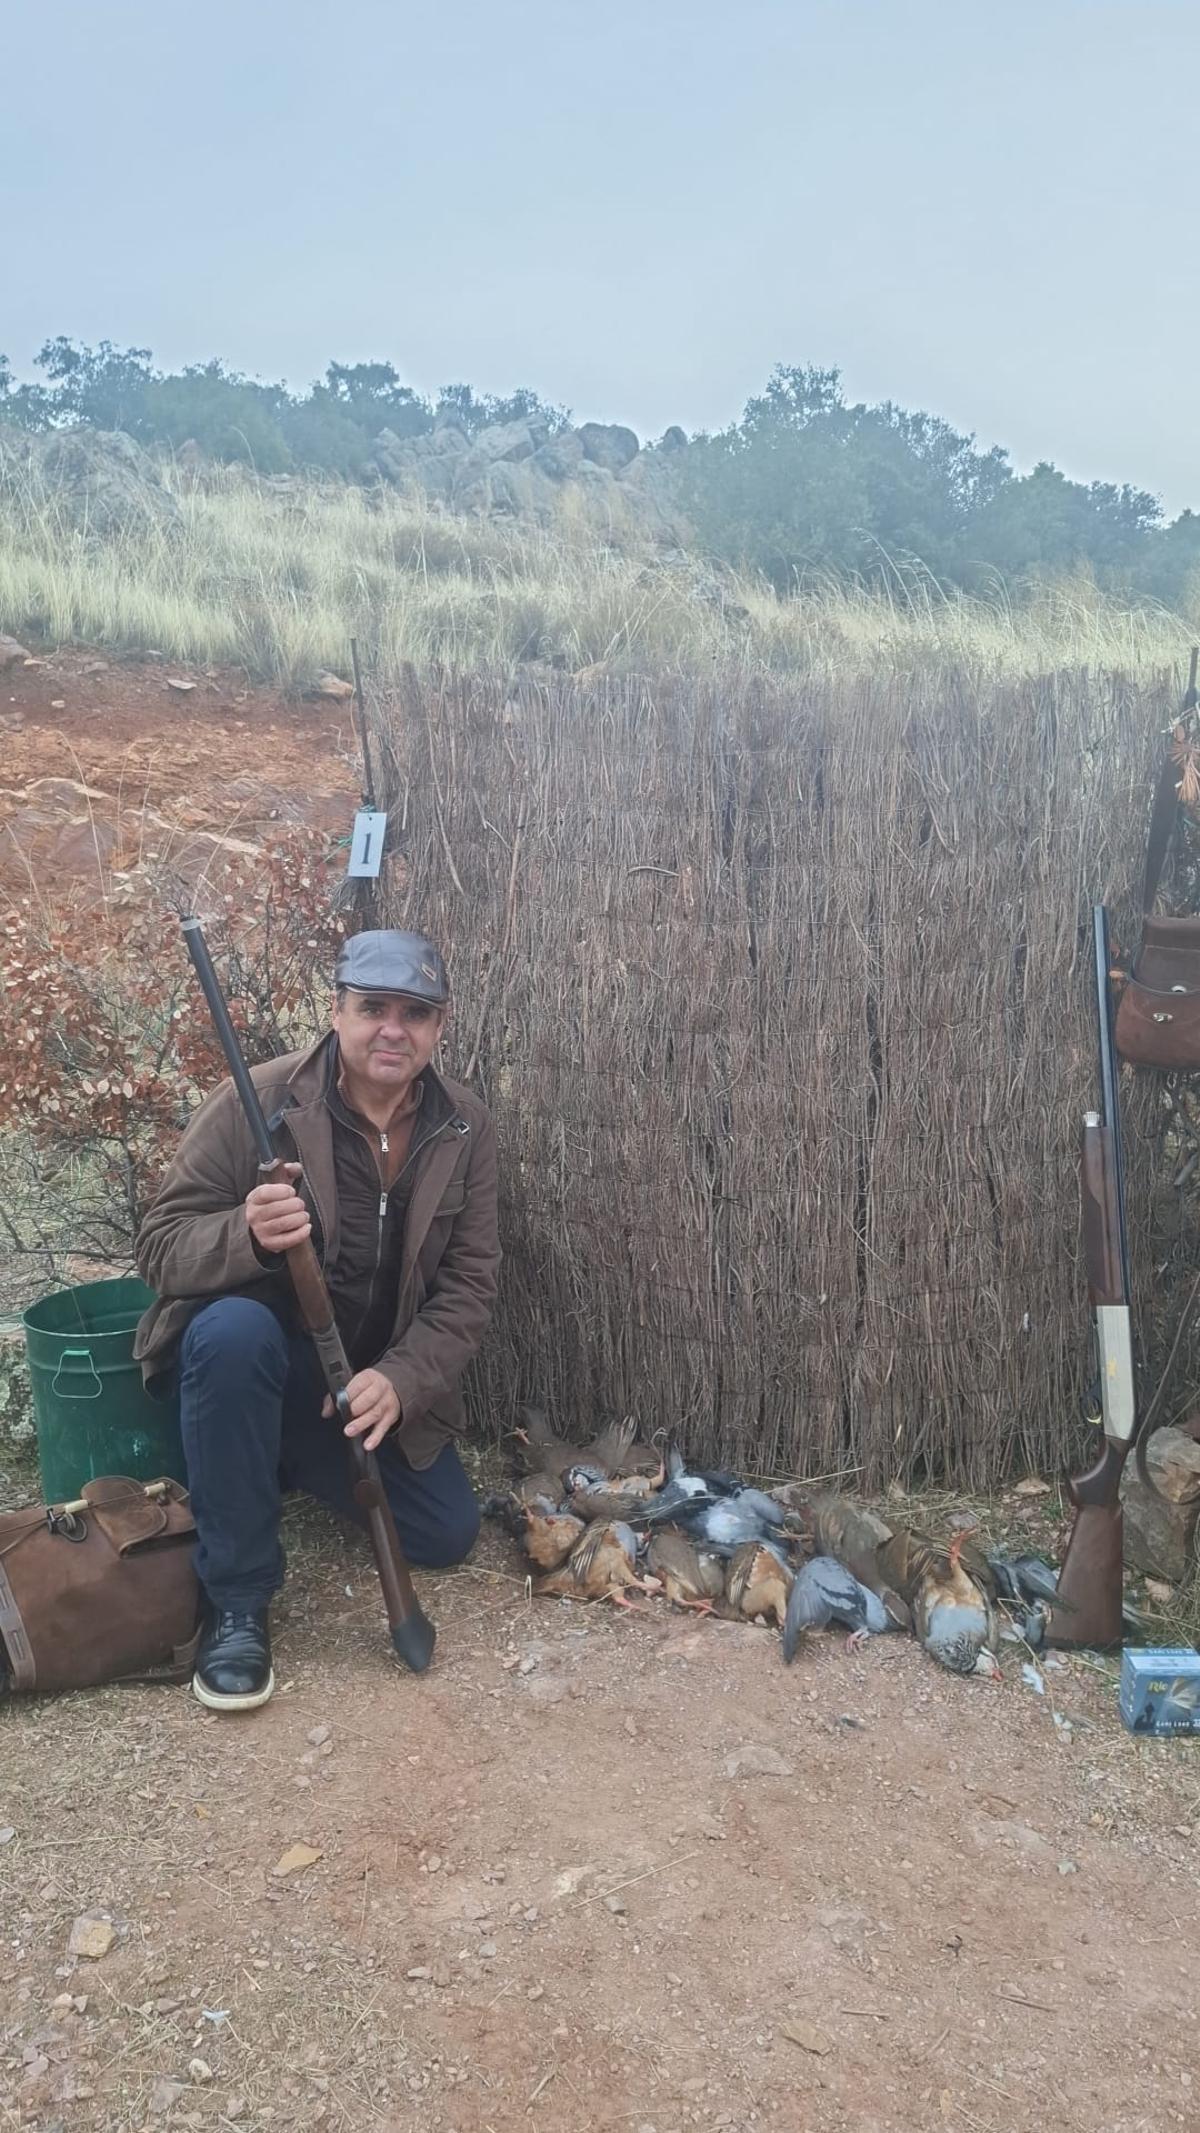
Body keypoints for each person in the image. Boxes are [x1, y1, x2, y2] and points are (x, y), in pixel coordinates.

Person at [133, 929, 500, 1712]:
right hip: (255, 1361)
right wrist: (246, 1233)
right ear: (336, 1011)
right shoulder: (255, 1101)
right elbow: (160, 1248)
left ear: (440, 1025)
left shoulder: (465, 1125)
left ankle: (271, 1459)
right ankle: (236, 1601)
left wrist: (401, 1381)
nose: (392, 1029)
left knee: (445, 1534)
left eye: (415, 1012)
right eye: (373, 1008)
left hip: (364, 1384)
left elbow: (469, 1287)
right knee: (232, 1335)